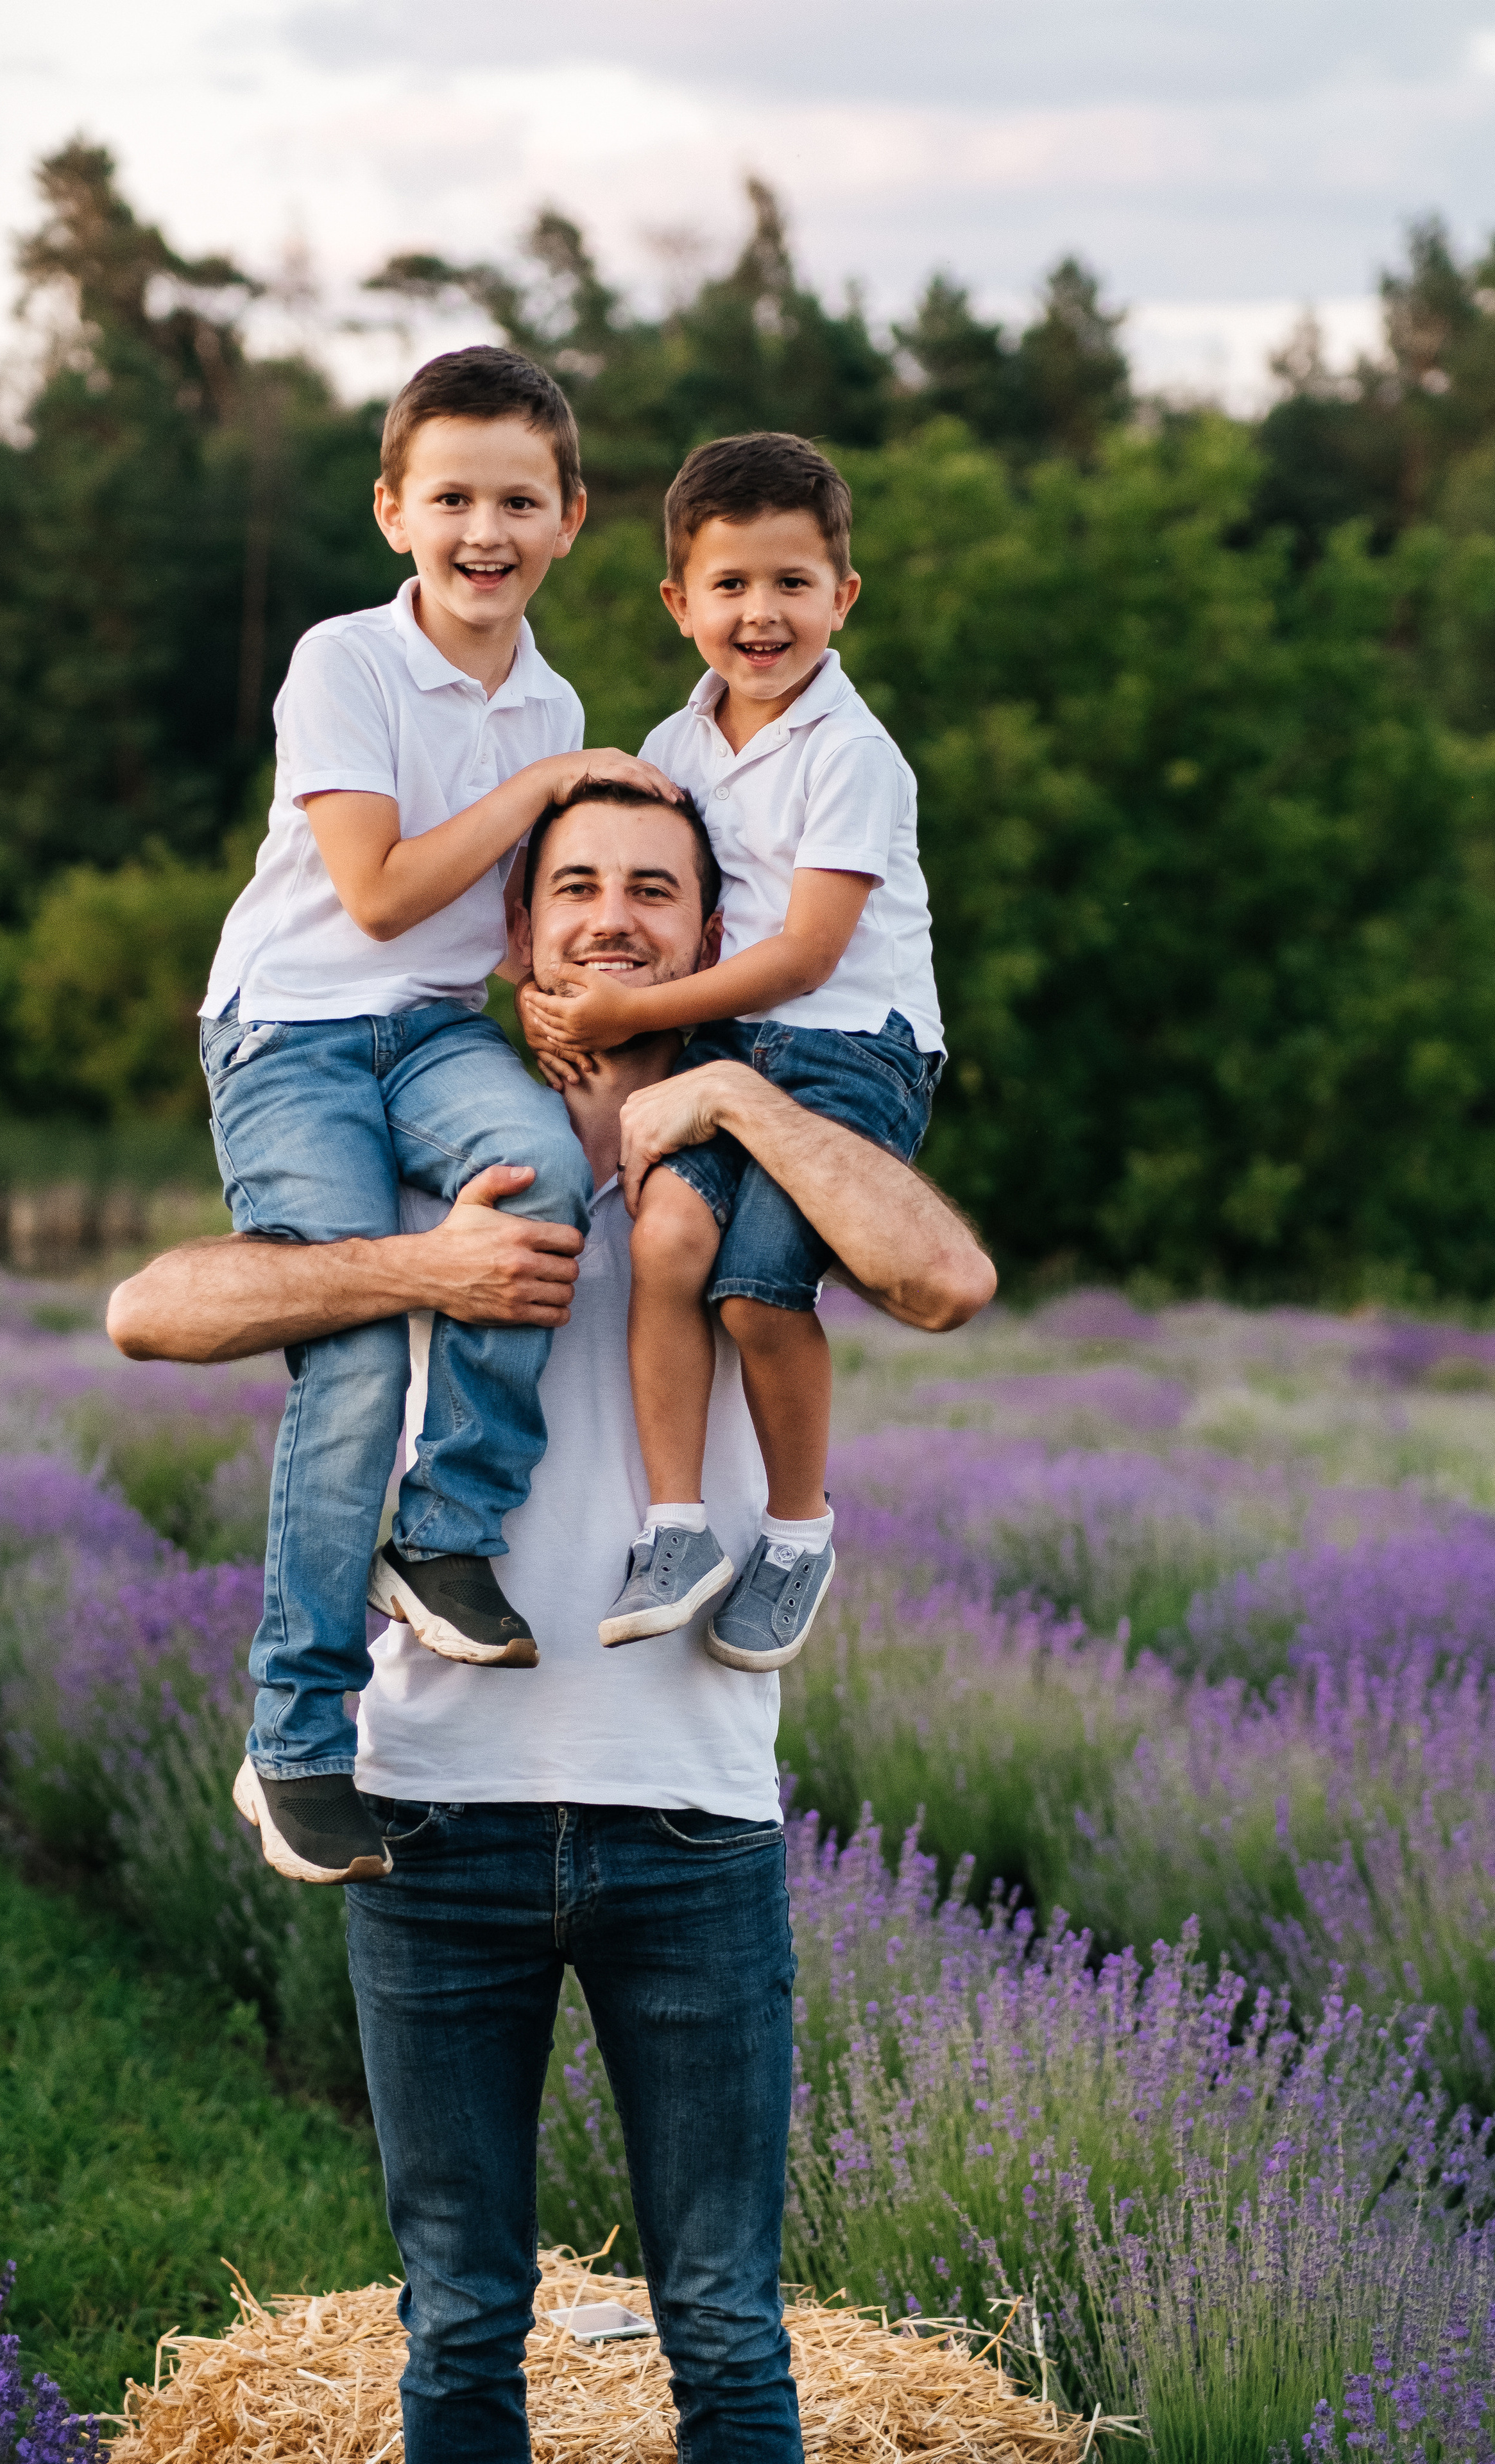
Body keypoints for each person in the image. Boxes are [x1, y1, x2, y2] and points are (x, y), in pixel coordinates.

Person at [107, 782, 995, 2464]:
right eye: (573, 885)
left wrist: (730, 1081)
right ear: (519, 932)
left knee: (727, 2324)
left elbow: (942, 1277)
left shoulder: (761, 1161)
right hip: (434, 1829)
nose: (610, 916)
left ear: (710, 938)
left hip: (694, 1826)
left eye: (655, 892)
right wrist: (414, 1273)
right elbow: (150, 1310)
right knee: (461, 2321)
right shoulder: (425, 1137)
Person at [194, 343, 678, 1890]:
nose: (486, 529)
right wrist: (544, 791)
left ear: (570, 518)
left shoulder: (554, 700)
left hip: (426, 1029)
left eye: (518, 500)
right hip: (290, 1035)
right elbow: (385, 887)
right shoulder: (344, 660)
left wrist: (557, 1000)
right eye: (452, 496)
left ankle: (444, 1526)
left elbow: (512, 925)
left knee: (538, 1168)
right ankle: (297, 1742)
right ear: (393, 509)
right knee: (343, 1363)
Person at [524, 432, 944, 1676]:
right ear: (678, 603)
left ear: (840, 597)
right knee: (664, 1241)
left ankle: (798, 1531)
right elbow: (647, 895)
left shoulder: (850, 753)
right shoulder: (677, 739)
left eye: (791, 584)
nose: (760, 614)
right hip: (720, 1040)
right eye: (729, 586)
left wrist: (635, 1022)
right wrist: (569, 997)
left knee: (758, 1286)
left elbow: (808, 952)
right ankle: (674, 1527)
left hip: (844, 1051)